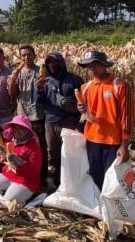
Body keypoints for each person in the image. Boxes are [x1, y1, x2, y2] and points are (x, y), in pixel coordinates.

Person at [77, 51, 135, 190]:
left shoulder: (120, 86)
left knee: (112, 180)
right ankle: (97, 207)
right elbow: (86, 116)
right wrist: (81, 110)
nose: (92, 68)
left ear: (105, 65)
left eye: (95, 64)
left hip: (113, 142)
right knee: (95, 177)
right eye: (88, 65)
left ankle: (112, 209)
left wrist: (124, 145)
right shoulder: (85, 88)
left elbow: (127, 116)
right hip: (92, 140)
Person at [36, 51, 84, 187]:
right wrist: (38, 89)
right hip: (50, 123)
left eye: (55, 62)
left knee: (71, 155)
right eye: (49, 62)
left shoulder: (75, 79)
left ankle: (73, 184)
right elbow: (38, 102)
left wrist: (80, 125)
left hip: (69, 122)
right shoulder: (45, 81)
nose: (52, 65)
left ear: (61, 63)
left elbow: (84, 104)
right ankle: (58, 184)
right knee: (55, 156)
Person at [0, 115, 43, 207]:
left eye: (21, 128)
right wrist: (2, 154)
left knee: (7, 203)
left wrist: (20, 162)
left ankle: (25, 199)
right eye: (14, 128)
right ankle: (8, 195)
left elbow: (33, 173)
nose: (17, 131)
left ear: (27, 130)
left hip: (26, 181)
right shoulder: (9, 142)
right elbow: (5, 162)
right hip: (9, 175)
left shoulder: (34, 148)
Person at [9, 45, 47, 187]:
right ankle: (22, 174)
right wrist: (12, 79)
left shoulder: (40, 71)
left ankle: (41, 178)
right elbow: (12, 94)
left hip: (37, 115)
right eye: (23, 55)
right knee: (22, 147)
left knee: (39, 148)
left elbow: (46, 94)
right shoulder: (18, 73)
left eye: (29, 55)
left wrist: (42, 86)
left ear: (34, 55)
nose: (26, 58)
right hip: (22, 116)